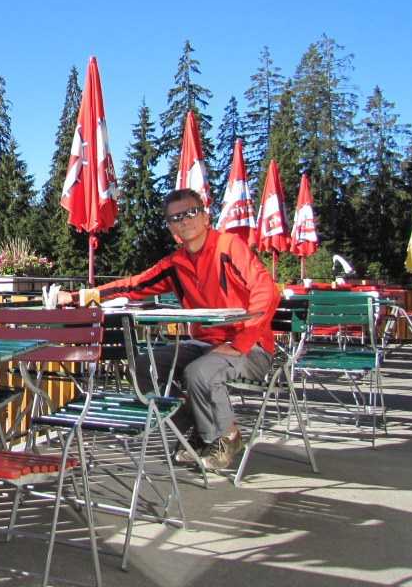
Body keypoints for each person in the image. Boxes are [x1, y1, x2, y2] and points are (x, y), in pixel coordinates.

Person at [67, 188, 280, 471]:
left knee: (199, 373)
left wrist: (241, 342)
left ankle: (227, 437)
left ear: (205, 216)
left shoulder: (230, 247)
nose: (185, 220)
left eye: (191, 212)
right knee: (142, 367)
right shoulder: (175, 263)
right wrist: (75, 298)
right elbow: (132, 286)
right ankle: (194, 431)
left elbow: (267, 293)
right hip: (205, 345)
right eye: (176, 217)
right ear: (170, 226)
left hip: (251, 348)